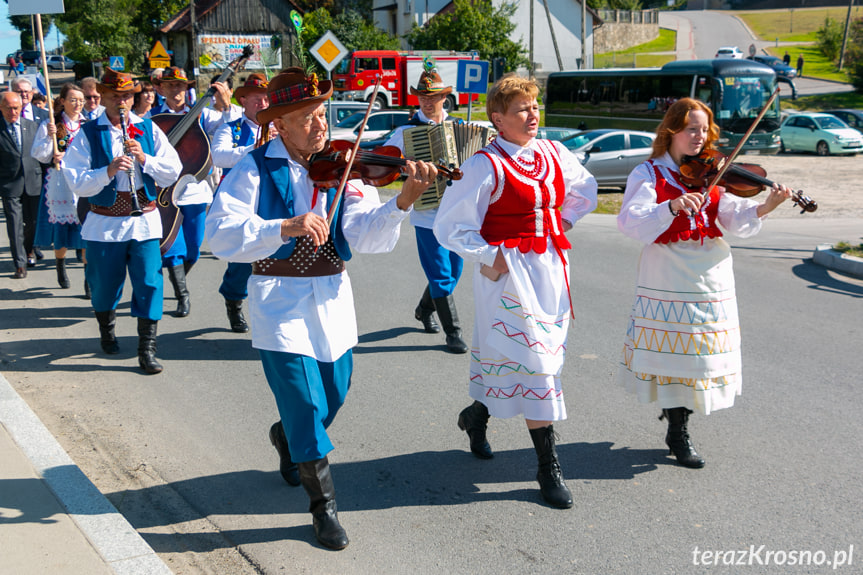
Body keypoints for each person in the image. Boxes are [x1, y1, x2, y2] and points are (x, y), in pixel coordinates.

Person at [205, 67, 437, 549]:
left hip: (332, 298)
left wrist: (403, 202)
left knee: (334, 393)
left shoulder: (344, 166)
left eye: (322, 115)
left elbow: (366, 236)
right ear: (280, 125)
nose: (320, 126)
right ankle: (323, 509)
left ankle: (288, 436)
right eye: (307, 117)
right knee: (306, 404)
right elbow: (220, 236)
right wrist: (282, 227)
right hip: (279, 301)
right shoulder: (253, 168)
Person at [433, 74, 598, 509]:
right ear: (497, 119)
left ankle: (476, 415)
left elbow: (584, 190)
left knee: (518, 357)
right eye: (521, 109)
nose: (532, 115)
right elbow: (449, 225)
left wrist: (557, 225)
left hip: (549, 268)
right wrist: (490, 255)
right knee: (537, 362)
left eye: (534, 106)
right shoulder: (484, 164)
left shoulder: (554, 152)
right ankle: (548, 467)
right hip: (506, 274)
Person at [616, 98, 792, 468]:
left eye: (704, 130)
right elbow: (631, 222)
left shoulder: (714, 171)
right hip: (666, 272)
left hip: (710, 272)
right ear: (671, 132)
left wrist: (764, 207)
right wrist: (671, 207)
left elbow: (730, 215)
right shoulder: (648, 174)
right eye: (691, 129)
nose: (699, 137)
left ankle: (679, 424)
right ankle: (678, 430)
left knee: (701, 356)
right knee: (673, 354)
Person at [63, 69, 182, 374]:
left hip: (143, 219)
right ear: (102, 96)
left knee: (150, 282)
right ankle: (107, 329)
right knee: (103, 286)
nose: (122, 102)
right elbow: (76, 181)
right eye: (115, 96)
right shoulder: (88, 134)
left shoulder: (149, 130)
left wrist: (145, 159)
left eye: (127, 96)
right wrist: (108, 170)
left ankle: (147, 349)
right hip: (105, 224)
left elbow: (172, 171)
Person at [383, 59, 469, 353]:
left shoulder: (459, 127)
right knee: (440, 273)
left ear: (445, 97)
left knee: (454, 272)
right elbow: (389, 161)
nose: (428, 102)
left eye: (433, 97)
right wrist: (404, 167)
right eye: (423, 97)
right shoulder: (407, 131)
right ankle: (453, 332)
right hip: (427, 211)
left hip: (456, 212)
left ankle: (424, 308)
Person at [149, 66, 232, 318]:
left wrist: (225, 105)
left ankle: (176, 281)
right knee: (173, 246)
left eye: (180, 85)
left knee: (193, 248)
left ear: (187, 89)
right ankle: (182, 296)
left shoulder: (203, 116)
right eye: (171, 85)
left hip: (194, 189)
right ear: (161, 89)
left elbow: (225, 129)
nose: (176, 90)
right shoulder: (151, 117)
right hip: (162, 191)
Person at [210, 73, 270, 333]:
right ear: (243, 100)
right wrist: (256, 147)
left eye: (267, 98)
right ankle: (234, 300)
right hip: (241, 201)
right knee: (242, 258)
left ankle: (270, 311)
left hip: (272, 198)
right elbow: (219, 156)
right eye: (257, 99)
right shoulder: (230, 128)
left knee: (276, 255)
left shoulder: (281, 125)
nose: (263, 104)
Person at [31, 83, 87, 290]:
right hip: (60, 182)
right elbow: (39, 154)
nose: (78, 104)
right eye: (73, 100)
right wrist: (48, 136)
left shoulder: (87, 125)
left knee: (86, 230)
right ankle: (60, 265)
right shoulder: (51, 124)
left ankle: (88, 277)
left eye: (81, 100)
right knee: (62, 230)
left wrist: (71, 156)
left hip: (83, 182)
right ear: (62, 101)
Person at [0, 90, 45, 279]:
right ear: (1, 108)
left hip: (33, 180)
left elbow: (43, 155)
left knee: (33, 223)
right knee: (15, 224)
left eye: (16, 108)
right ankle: (19, 264)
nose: (13, 112)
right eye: (9, 108)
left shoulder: (33, 126)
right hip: (9, 184)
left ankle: (29, 250)